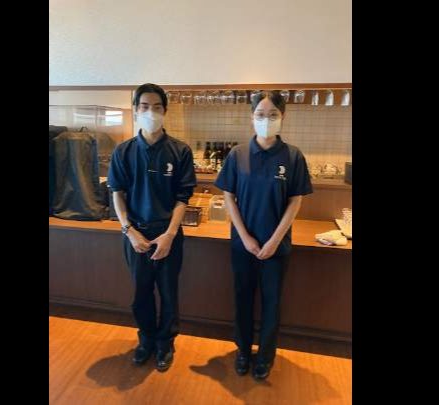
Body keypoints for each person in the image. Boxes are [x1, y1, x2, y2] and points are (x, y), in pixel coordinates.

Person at [214, 91, 312, 380]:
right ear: (251, 116)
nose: (266, 120)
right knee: (242, 298)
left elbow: (295, 201)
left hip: (276, 246)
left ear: (283, 117)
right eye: (260, 114)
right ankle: (243, 351)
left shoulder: (292, 156)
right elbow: (228, 196)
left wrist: (274, 241)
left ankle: (265, 357)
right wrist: (245, 237)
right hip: (242, 244)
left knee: (272, 302)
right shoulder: (238, 154)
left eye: (272, 115)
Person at [107, 83, 197, 372]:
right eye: (144, 107)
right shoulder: (124, 151)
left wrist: (170, 234)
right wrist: (129, 231)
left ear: (165, 111)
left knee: (169, 292)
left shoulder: (179, 151)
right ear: (135, 110)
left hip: (168, 234)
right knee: (141, 292)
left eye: (157, 107)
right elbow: (117, 194)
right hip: (135, 234)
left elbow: (183, 198)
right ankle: (145, 340)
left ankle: (165, 343)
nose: (150, 112)